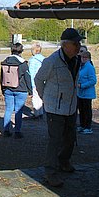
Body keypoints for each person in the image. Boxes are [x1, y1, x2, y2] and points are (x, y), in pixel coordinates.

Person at [34, 27, 83, 187]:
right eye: (75, 43)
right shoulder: (52, 61)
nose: (78, 46)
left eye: (79, 43)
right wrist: (45, 98)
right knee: (55, 141)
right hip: (54, 108)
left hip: (71, 107)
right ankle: (50, 173)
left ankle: (64, 162)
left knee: (70, 138)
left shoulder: (77, 60)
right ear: (65, 45)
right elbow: (38, 79)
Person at [0, 43, 32, 138]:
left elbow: (2, 77)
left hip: (7, 88)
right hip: (21, 89)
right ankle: (17, 131)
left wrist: (3, 89)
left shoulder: (4, 62)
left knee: (8, 109)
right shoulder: (23, 63)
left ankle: (6, 130)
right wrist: (30, 90)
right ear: (21, 51)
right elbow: (27, 78)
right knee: (18, 111)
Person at [77, 50, 97, 135]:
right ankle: (82, 125)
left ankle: (88, 127)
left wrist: (82, 85)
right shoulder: (82, 66)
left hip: (87, 93)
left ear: (88, 58)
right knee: (81, 110)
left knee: (87, 111)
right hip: (80, 93)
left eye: (85, 57)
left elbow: (93, 80)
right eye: (82, 57)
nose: (83, 59)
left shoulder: (89, 67)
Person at [28, 41, 45, 119]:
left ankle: (36, 113)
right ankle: (40, 112)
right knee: (40, 97)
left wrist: (31, 84)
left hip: (35, 82)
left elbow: (31, 73)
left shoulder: (32, 60)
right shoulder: (44, 59)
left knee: (35, 98)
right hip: (43, 81)